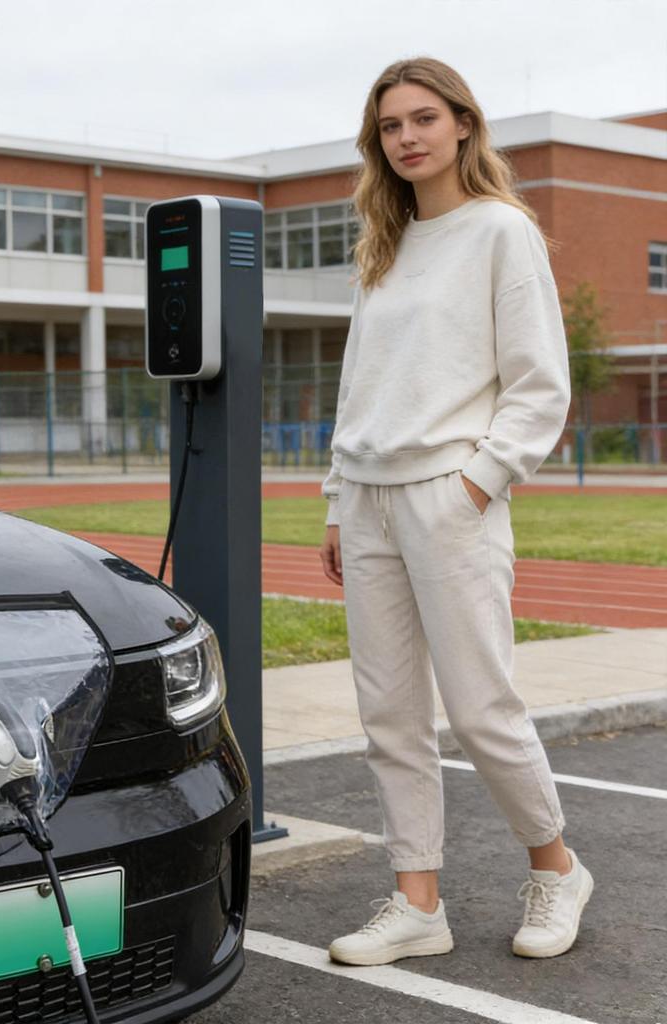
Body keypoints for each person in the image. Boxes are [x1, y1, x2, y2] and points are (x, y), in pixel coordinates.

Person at [318, 56, 593, 966]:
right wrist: (334, 499)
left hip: (450, 496)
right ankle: (417, 901)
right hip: (365, 501)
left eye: (424, 119)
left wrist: (478, 482)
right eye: (391, 125)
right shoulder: (381, 247)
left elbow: (538, 385)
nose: (407, 138)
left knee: (482, 710)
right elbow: (358, 388)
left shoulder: (501, 232)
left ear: (464, 126)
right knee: (390, 714)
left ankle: (556, 868)